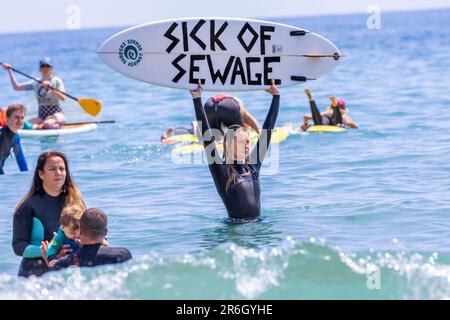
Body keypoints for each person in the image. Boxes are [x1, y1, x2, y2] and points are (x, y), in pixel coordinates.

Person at [190, 79, 280, 219]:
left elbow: (267, 132)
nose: (247, 146)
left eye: (248, 142)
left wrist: (276, 96)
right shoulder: (222, 172)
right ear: (229, 143)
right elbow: (207, 136)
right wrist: (197, 99)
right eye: (242, 142)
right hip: (234, 232)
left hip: (258, 232)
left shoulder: (253, 168)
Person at [12, 151, 86, 277]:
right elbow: (18, 246)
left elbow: (87, 230)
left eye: (62, 169)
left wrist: (100, 241)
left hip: (69, 269)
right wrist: (46, 251)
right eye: (52, 169)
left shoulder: (76, 201)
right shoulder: (27, 206)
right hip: (35, 272)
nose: (58, 172)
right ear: (41, 174)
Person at [43, 208, 132, 270]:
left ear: (80, 231)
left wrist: (49, 259)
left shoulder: (67, 262)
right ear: (105, 232)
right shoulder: (122, 255)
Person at [3, 58, 67, 129]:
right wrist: (9, 71)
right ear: (40, 69)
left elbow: (63, 98)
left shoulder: (57, 81)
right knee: (22, 125)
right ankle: (40, 126)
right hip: (42, 116)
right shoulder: (35, 82)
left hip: (56, 114)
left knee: (47, 123)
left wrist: (50, 88)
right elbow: (16, 87)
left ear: (51, 68)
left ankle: (42, 126)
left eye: (47, 66)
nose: (45, 68)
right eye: (43, 66)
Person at [0, 104, 28, 175]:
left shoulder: (16, 137)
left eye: (22, 118)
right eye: (16, 117)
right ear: (7, 119)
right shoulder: (2, 136)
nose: (20, 120)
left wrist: (27, 178)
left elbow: (21, 160)